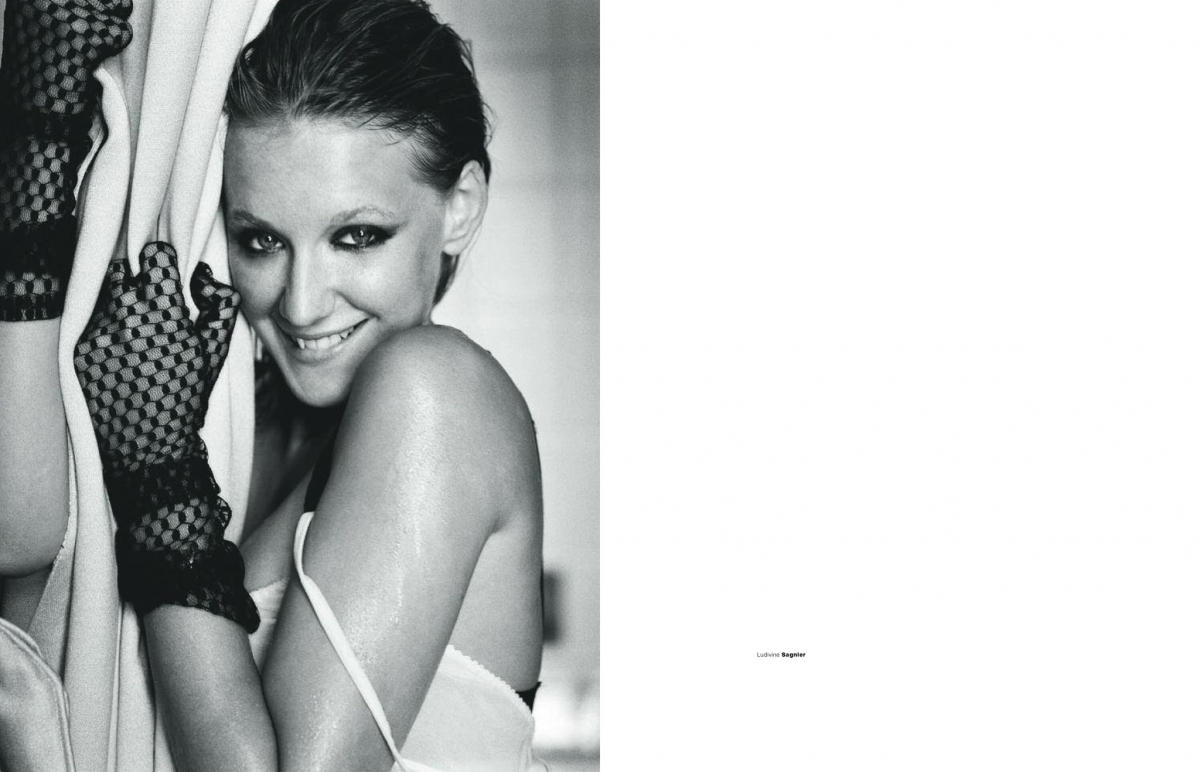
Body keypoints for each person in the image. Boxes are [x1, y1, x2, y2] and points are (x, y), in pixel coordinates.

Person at [5, 1, 547, 770]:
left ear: (459, 207)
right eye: (261, 241)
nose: (300, 304)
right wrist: (34, 149)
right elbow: (23, 552)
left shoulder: (438, 390)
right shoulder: (233, 417)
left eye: (357, 237)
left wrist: (161, 478)